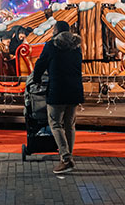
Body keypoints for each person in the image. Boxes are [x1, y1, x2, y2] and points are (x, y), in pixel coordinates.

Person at [32, 20, 83, 174]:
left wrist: (36, 79)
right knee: (69, 124)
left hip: (57, 89)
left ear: (56, 31)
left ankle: (66, 158)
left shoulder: (51, 46)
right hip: (74, 90)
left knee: (55, 123)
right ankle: (68, 156)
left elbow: (40, 64)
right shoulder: (76, 47)